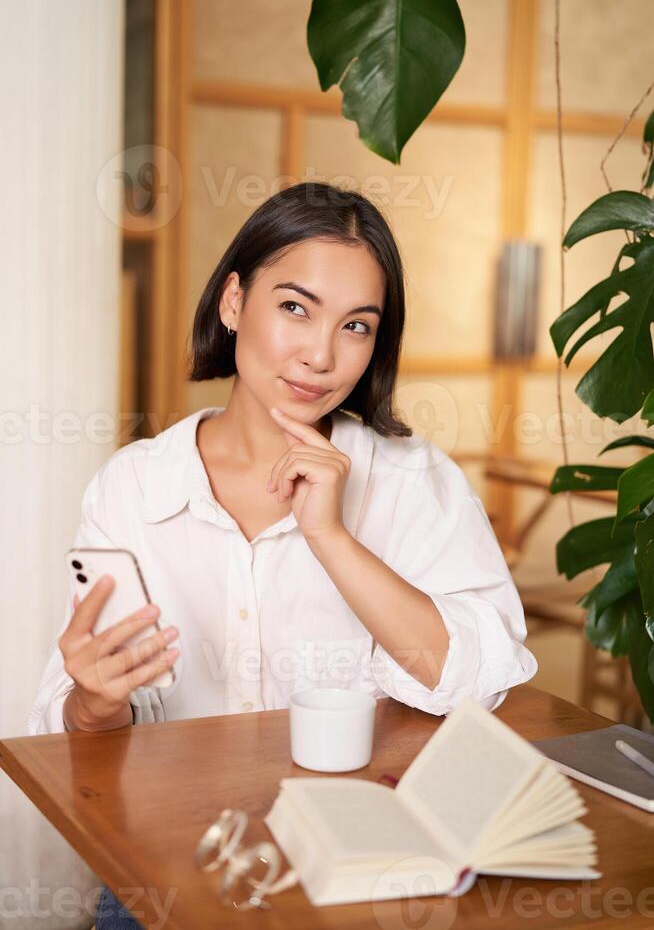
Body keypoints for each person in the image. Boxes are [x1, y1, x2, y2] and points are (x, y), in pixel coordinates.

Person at [29, 181, 538, 928]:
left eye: (357, 326)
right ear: (234, 302)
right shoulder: (135, 486)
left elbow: (475, 681)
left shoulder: (412, 481)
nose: (321, 356)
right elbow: (75, 736)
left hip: (361, 875)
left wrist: (332, 538)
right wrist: (95, 702)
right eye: (295, 307)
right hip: (169, 867)